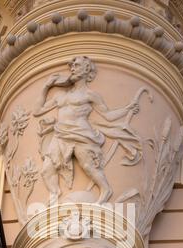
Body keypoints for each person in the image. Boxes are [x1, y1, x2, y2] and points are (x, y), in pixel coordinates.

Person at [33, 56, 141, 204]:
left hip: (82, 134)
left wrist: (127, 108)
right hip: (61, 134)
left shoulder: (90, 95)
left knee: (88, 166)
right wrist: (46, 86)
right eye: (72, 66)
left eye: (76, 65)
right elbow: (37, 111)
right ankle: (54, 195)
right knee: (46, 169)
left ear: (86, 70)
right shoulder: (60, 95)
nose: (72, 68)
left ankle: (105, 190)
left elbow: (108, 116)